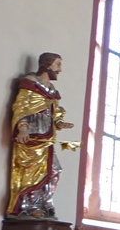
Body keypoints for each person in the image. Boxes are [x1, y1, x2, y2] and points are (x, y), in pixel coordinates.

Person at [8, 52, 78, 218]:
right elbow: (21, 108)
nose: (60, 69)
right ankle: (28, 206)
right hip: (31, 137)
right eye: (58, 64)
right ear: (47, 65)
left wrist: (59, 122)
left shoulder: (51, 91)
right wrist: (23, 128)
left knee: (54, 170)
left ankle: (44, 202)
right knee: (32, 172)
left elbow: (55, 111)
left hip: (46, 138)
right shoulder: (30, 85)